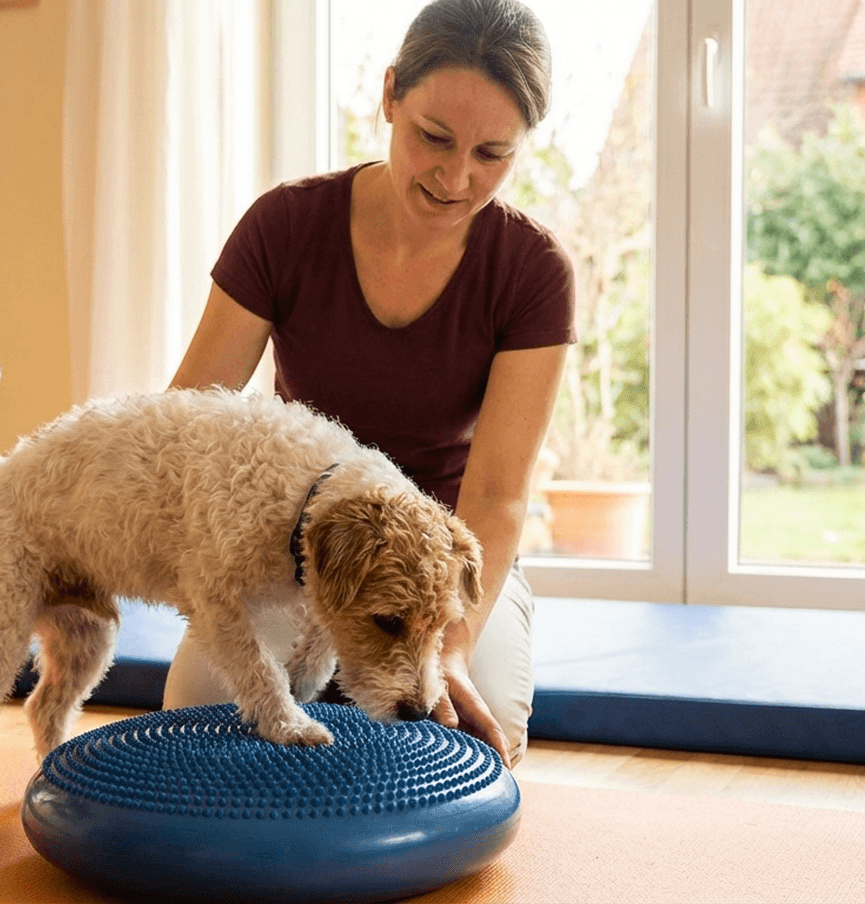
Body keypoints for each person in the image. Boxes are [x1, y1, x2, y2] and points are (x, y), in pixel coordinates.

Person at [161, 0, 574, 767]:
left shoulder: (533, 272)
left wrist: (449, 649)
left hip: (450, 561)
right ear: (390, 95)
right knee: (200, 714)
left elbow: (497, 497)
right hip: (300, 549)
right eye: (433, 138)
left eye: (493, 154)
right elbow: (184, 420)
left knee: (475, 747)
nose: (457, 178)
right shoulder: (284, 227)